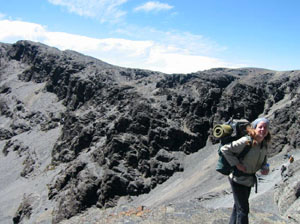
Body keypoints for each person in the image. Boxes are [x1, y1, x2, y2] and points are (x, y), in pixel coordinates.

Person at [220, 117, 271, 224]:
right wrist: (237, 164)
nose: (262, 129)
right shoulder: (246, 141)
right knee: (243, 210)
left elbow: (263, 159)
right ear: (255, 128)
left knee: (238, 207)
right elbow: (225, 149)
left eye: (265, 127)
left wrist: (265, 167)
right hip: (237, 178)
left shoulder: (264, 144)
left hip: (248, 180)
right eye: (260, 127)